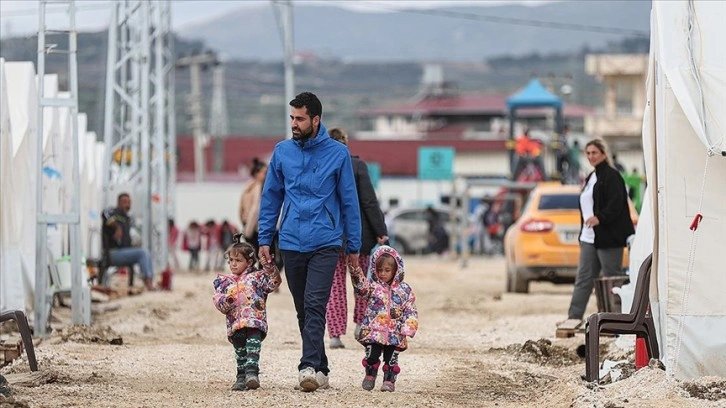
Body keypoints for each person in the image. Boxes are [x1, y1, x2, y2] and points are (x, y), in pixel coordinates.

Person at [257, 91, 362, 392]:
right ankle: (323, 367)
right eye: (292, 117)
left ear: (316, 120)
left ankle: (307, 366)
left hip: (326, 241)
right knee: (303, 309)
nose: (294, 123)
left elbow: (349, 202)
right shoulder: (282, 152)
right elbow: (271, 198)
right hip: (290, 241)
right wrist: (265, 239)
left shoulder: (338, 154)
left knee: (316, 304)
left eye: (300, 118)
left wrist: (352, 247)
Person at [326, 127, 388, 349]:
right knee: (360, 282)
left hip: (330, 236)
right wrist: (381, 231)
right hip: (358, 237)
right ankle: (361, 325)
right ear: (346, 142)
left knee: (335, 286)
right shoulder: (358, 166)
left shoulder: (323, 165)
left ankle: (334, 335)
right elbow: (369, 202)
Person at [567, 139, 635, 321]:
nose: (591, 157)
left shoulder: (611, 176)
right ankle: (573, 317)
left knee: (612, 279)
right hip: (589, 237)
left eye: (594, 153)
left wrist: (600, 218)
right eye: (588, 153)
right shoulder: (591, 177)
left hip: (608, 237)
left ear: (604, 154)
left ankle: (616, 320)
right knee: (584, 278)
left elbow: (616, 204)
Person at [212, 235, 282, 391]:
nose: (233, 264)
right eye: (231, 261)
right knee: (240, 351)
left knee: (253, 347)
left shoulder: (257, 277)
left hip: (254, 320)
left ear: (249, 262)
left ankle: (252, 373)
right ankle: (241, 376)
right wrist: (227, 301)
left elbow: (274, 283)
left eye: (238, 261)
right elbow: (218, 301)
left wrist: (270, 267)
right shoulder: (224, 281)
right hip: (235, 323)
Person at [349, 245, 418, 392]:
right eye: (379, 270)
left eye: (387, 270)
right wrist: (355, 270)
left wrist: (409, 326)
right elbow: (360, 287)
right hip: (374, 331)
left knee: (391, 358)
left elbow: (411, 309)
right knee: (371, 355)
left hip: (395, 332)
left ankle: (389, 380)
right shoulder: (372, 287)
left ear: (396, 270)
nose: (383, 274)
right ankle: (370, 374)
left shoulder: (404, 290)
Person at [102, 193, 155, 291]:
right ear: (118, 203)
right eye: (124, 202)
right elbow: (105, 214)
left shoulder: (127, 219)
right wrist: (116, 227)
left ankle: (150, 280)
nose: (127, 205)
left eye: (129, 202)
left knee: (145, 252)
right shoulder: (113, 213)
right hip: (113, 253)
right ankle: (148, 283)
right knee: (142, 253)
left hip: (124, 251)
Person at [239, 158, 268, 253]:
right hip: (255, 227)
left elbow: (241, 209)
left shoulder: (248, 186)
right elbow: (255, 209)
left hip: (249, 224)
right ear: (257, 173)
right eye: (265, 172)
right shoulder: (258, 187)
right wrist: (249, 229)